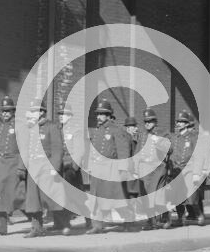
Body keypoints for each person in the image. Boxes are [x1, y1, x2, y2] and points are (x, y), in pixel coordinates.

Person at [18, 98, 65, 238]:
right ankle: (37, 228)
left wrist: (54, 168)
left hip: (46, 167)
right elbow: (24, 149)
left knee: (51, 198)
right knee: (33, 200)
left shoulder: (52, 127)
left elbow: (57, 150)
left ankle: (63, 224)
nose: (32, 114)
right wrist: (21, 167)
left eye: (34, 111)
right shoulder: (30, 128)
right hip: (33, 168)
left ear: (42, 112)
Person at [87, 99, 131, 234]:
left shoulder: (116, 130)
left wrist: (123, 169)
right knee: (96, 197)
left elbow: (123, 150)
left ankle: (128, 220)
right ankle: (97, 225)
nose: (98, 117)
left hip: (111, 169)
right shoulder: (97, 131)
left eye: (101, 114)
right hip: (97, 170)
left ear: (108, 115)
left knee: (116, 198)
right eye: (98, 114)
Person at [0, 96, 25, 236]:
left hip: (13, 165)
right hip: (2, 165)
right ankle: (0, 228)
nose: (5, 114)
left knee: (18, 197)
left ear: (13, 112)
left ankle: (37, 223)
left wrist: (22, 167)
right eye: (3, 111)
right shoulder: (2, 127)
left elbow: (24, 148)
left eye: (8, 111)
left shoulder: (19, 126)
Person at [133, 108, 171, 230]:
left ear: (155, 121)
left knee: (157, 196)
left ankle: (164, 218)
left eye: (150, 121)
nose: (147, 124)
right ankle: (151, 221)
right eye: (145, 122)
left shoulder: (163, 133)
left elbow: (170, 149)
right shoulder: (143, 136)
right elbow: (137, 153)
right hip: (144, 169)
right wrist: (134, 169)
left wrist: (158, 141)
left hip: (157, 169)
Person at [167, 110, 204, 228]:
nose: (180, 124)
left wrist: (197, 173)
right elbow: (169, 151)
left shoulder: (193, 137)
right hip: (177, 170)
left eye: (182, 122)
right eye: (178, 122)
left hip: (189, 170)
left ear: (187, 124)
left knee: (191, 196)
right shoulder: (175, 137)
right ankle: (180, 218)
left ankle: (199, 215)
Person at [57, 103, 84, 232]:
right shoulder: (58, 130)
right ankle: (62, 223)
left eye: (64, 114)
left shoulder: (76, 130)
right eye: (60, 114)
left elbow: (79, 151)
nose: (61, 116)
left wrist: (74, 167)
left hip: (71, 169)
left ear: (70, 116)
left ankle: (90, 221)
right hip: (60, 167)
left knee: (77, 198)